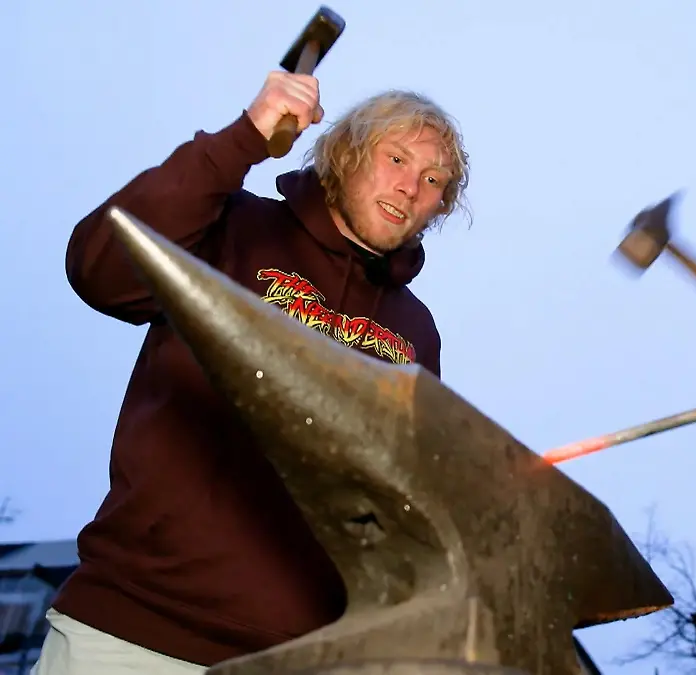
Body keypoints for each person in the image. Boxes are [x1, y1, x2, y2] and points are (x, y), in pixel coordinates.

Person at [35, 71, 470, 674]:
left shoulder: (414, 333)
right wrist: (242, 140)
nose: (411, 186)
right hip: (133, 630)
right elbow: (100, 270)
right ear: (345, 154)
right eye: (396, 157)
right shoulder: (233, 229)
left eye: (433, 181)